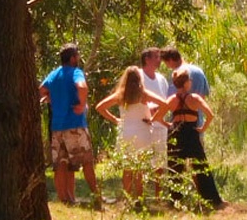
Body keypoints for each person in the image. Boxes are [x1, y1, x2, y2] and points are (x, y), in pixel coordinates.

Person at [94, 66, 171, 202]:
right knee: (139, 169)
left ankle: (127, 199)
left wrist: (116, 120)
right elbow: (164, 104)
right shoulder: (144, 94)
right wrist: (154, 119)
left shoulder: (120, 94)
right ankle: (139, 200)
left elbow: (100, 107)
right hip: (142, 132)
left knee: (127, 168)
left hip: (126, 132)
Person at [39, 45, 101, 208]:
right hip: (75, 125)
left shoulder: (54, 74)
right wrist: (81, 104)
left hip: (57, 127)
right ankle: (97, 196)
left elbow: (41, 90)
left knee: (60, 163)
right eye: (77, 56)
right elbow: (82, 86)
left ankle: (65, 200)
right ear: (73, 58)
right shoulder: (76, 72)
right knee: (87, 161)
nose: (79, 59)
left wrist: (51, 97)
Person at [167, 68, 225, 209]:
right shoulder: (194, 98)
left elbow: (157, 117)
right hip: (191, 133)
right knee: (200, 166)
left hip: (176, 132)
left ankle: (175, 200)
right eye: (189, 80)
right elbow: (210, 115)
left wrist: (168, 125)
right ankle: (210, 199)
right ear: (186, 83)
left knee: (175, 167)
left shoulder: (172, 99)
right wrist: (203, 128)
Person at [139, 48, 170, 197]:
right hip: (142, 124)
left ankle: (159, 194)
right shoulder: (139, 77)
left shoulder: (161, 79)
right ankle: (140, 193)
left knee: (160, 161)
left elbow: (165, 101)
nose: (159, 60)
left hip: (160, 124)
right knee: (141, 159)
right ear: (147, 59)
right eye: (156, 57)